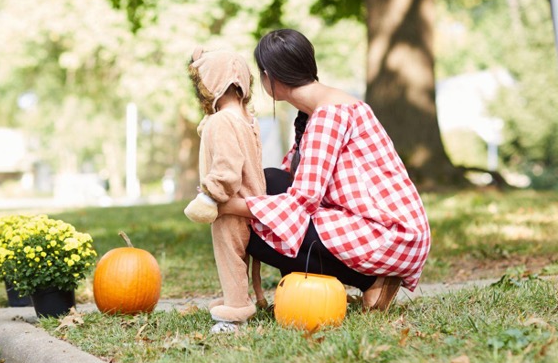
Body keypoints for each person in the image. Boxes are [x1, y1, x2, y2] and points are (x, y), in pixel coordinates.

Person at [216, 29, 431, 311]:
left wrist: (228, 206)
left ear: (269, 76)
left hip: (390, 233)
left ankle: (371, 281)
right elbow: (286, 180)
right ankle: (317, 288)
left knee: (257, 235)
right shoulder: (317, 110)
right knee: (269, 180)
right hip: (381, 224)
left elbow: (301, 202)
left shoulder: (329, 115)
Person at [182, 47, 267, 332]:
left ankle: (234, 313)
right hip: (252, 204)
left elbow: (228, 169)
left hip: (231, 207)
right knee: (241, 259)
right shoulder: (246, 120)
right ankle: (247, 298)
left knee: (230, 259)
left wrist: (210, 194)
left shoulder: (221, 122)